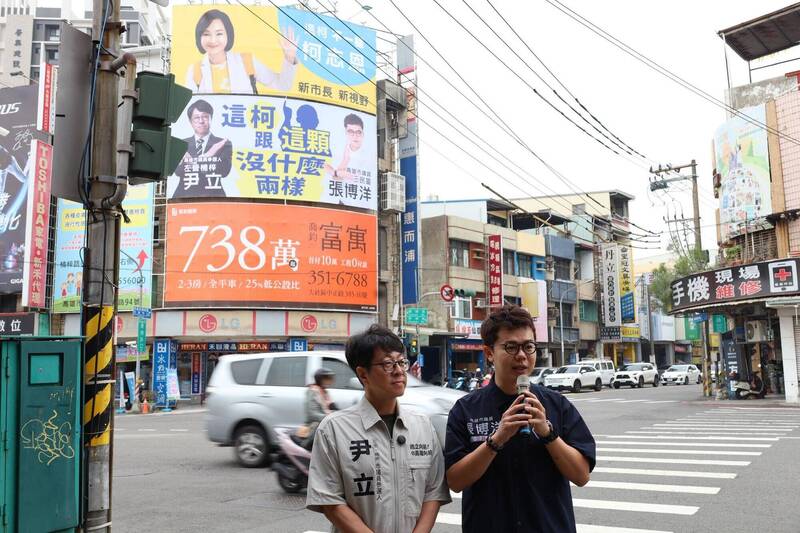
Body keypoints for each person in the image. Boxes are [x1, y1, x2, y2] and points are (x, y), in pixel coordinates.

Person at [445, 304, 596, 532]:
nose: (522, 356)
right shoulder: (466, 409)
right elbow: (455, 482)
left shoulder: (557, 405)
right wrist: (496, 439)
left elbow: (581, 475)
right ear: (489, 353)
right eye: (511, 347)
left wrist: (548, 433)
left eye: (528, 346)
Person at [306, 324, 450, 533]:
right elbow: (329, 500)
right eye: (388, 364)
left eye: (401, 362)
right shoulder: (334, 429)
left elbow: (433, 492)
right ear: (363, 374)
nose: (399, 371)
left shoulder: (422, 426)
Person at [186, 9, 298, 94]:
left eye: (219, 33)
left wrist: (289, 58)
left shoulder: (247, 61)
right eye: (206, 34)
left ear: (228, 34)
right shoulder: (194, 70)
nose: (213, 40)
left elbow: (282, 85)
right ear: (199, 37)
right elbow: (190, 107)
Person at [173, 99, 232, 198]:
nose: (201, 121)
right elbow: (178, 171)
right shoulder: (182, 144)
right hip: (183, 197)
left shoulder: (222, 143)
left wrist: (191, 161)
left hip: (214, 196)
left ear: (211, 118)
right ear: (190, 121)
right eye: (196, 118)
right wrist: (207, 156)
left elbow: (224, 171)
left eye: (205, 116)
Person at [325, 114, 371, 183]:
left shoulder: (368, 157)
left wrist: (336, 172)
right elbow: (323, 165)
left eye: (358, 132)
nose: (355, 136)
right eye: (351, 132)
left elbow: (337, 179)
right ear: (345, 133)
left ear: (363, 134)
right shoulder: (337, 148)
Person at [302, 367, 337, 449]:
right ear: (319, 379)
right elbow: (311, 414)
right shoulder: (312, 391)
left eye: (330, 378)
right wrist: (328, 417)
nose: (329, 380)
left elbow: (333, 407)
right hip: (313, 424)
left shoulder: (325, 392)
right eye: (327, 378)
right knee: (319, 428)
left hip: (325, 422)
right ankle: (306, 445)